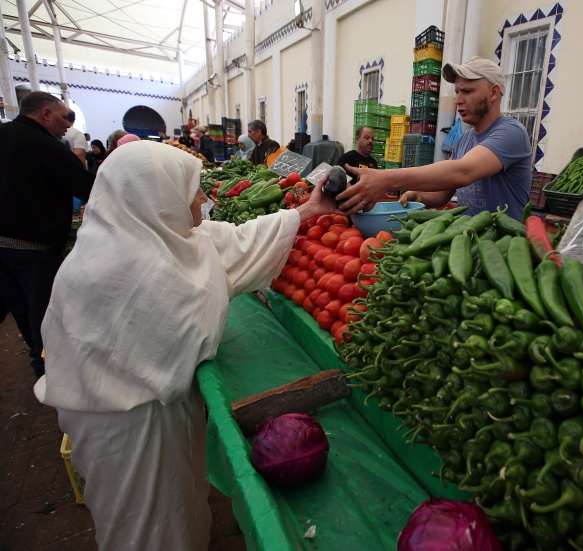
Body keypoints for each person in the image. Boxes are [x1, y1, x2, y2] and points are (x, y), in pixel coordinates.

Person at [34, 140, 341, 550]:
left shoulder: (148, 234)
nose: (202, 197)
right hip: (124, 422)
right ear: (155, 197)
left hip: (153, 408)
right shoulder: (116, 268)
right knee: (146, 522)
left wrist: (306, 211)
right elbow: (195, 328)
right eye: (191, 188)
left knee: (178, 504)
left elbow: (230, 241)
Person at [337, 56, 532, 221]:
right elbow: (444, 191)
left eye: (468, 91)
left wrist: (387, 179)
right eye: (457, 92)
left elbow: (463, 172)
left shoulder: (511, 132)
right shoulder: (464, 140)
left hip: (506, 253)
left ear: (493, 93)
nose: (458, 100)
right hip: (469, 247)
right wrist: (419, 195)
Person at [0, 91, 94, 377]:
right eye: (66, 117)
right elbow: (87, 186)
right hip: (33, 245)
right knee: (44, 312)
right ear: (46, 114)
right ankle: (50, 370)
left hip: (2, 245)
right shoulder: (45, 145)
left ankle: (38, 359)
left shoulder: (3, 134)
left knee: (20, 307)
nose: (69, 124)